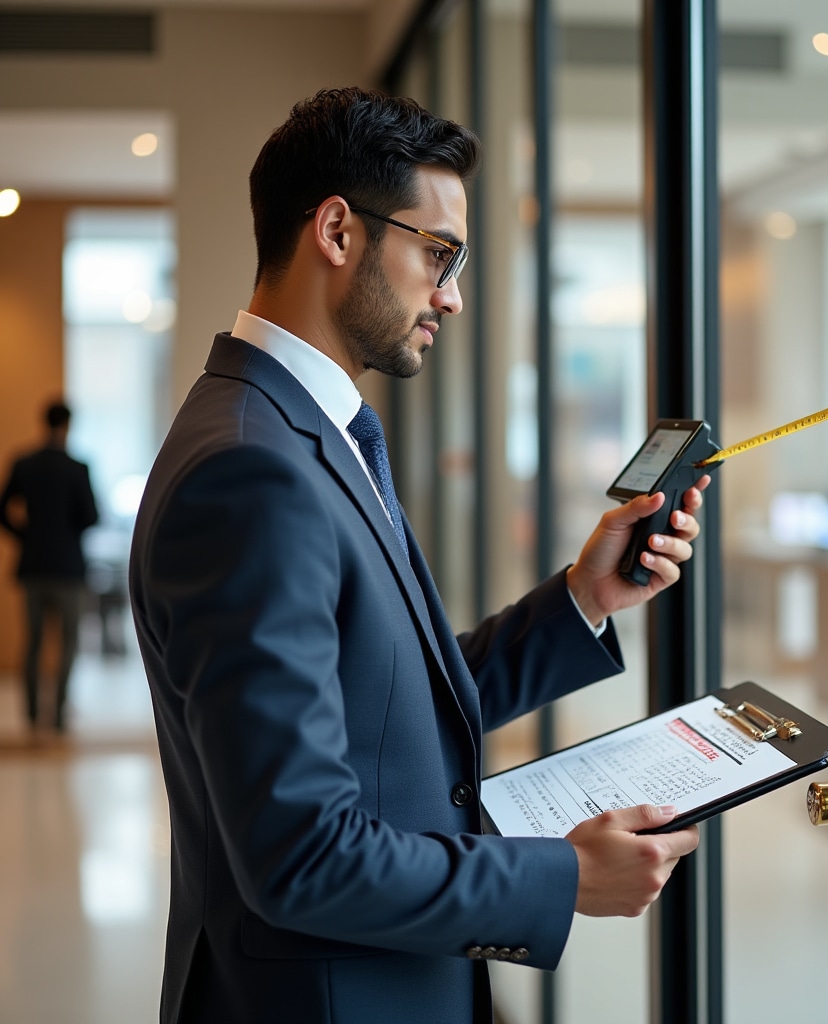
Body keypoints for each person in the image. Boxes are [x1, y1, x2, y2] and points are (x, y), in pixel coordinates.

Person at [128, 87, 710, 1024]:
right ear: (336, 231)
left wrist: (583, 597)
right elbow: (300, 856)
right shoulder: (250, 469)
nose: (452, 294)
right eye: (438, 253)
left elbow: (389, 704)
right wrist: (561, 877)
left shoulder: (299, 430)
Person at [0, 400, 98, 731]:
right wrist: (68, 533)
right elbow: (91, 516)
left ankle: (31, 713)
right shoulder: (77, 468)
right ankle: (57, 713)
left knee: (34, 641)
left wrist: (24, 535)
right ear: (68, 425)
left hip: (33, 564)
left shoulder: (24, 463)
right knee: (68, 642)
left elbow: (3, 509)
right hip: (68, 566)